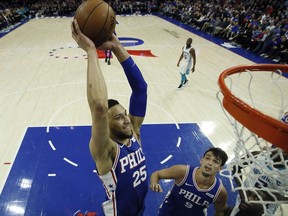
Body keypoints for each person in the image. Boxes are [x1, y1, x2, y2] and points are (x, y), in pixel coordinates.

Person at [71, 19, 148, 216]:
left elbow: (141, 89)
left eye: (125, 115)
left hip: (139, 210)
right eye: (119, 117)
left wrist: (117, 47)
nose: (127, 119)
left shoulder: (135, 134)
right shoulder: (107, 150)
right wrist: (90, 51)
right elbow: (98, 106)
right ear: (107, 124)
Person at [150, 147, 229, 216]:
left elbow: (220, 211)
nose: (210, 163)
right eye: (207, 158)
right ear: (202, 160)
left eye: (215, 161)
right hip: (169, 211)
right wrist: (154, 183)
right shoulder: (182, 171)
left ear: (220, 168)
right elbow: (157, 174)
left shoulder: (220, 192)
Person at [229, 148, 288, 216]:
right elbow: (235, 166)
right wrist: (242, 194)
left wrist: (271, 197)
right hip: (244, 197)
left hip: (266, 209)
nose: (278, 149)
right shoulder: (258, 155)